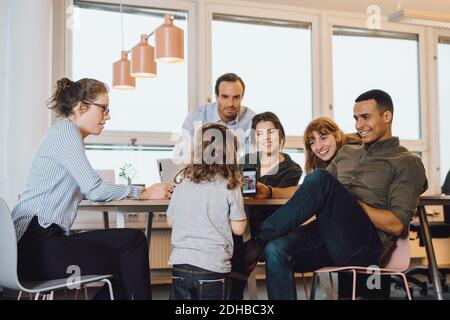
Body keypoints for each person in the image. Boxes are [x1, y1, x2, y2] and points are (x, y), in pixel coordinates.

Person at [255, 89, 428, 299]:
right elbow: (311, 190)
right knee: (276, 250)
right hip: (328, 237)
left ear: (387, 116)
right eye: (356, 118)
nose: (358, 125)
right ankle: (264, 241)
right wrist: (271, 191)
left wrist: (351, 201)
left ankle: (257, 241)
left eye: (365, 117)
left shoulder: (406, 162)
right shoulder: (347, 153)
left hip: (365, 246)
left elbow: (395, 224)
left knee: (320, 178)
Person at [12, 78, 173, 300]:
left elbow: (87, 190)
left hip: (34, 244)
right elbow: (95, 190)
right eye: (104, 109)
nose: (108, 116)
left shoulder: (65, 135)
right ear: (81, 107)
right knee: (127, 258)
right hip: (38, 245)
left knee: (131, 243)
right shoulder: (66, 134)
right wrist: (142, 192)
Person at [166, 123, 247, 300]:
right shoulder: (230, 185)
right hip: (213, 268)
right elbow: (239, 229)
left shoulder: (183, 183)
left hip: (180, 264)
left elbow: (171, 221)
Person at [230, 112, 302, 299]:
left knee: (239, 249)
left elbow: (279, 204)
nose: (266, 138)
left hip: (271, 227)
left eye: (271, 132)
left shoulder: (291, 168)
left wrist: (262, 192)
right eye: (260, 134)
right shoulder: (246, 161)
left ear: (281, 134)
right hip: (241, 223)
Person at [179, 73, 256, 156]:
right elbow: (185, 155)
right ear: (216, 96)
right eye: (225, 97)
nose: (230, 103)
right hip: (203, 168)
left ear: (242, 97)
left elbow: (252, 159)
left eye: (236, 97)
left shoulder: (252, 120)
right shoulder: (195, 117)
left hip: (238, 168)